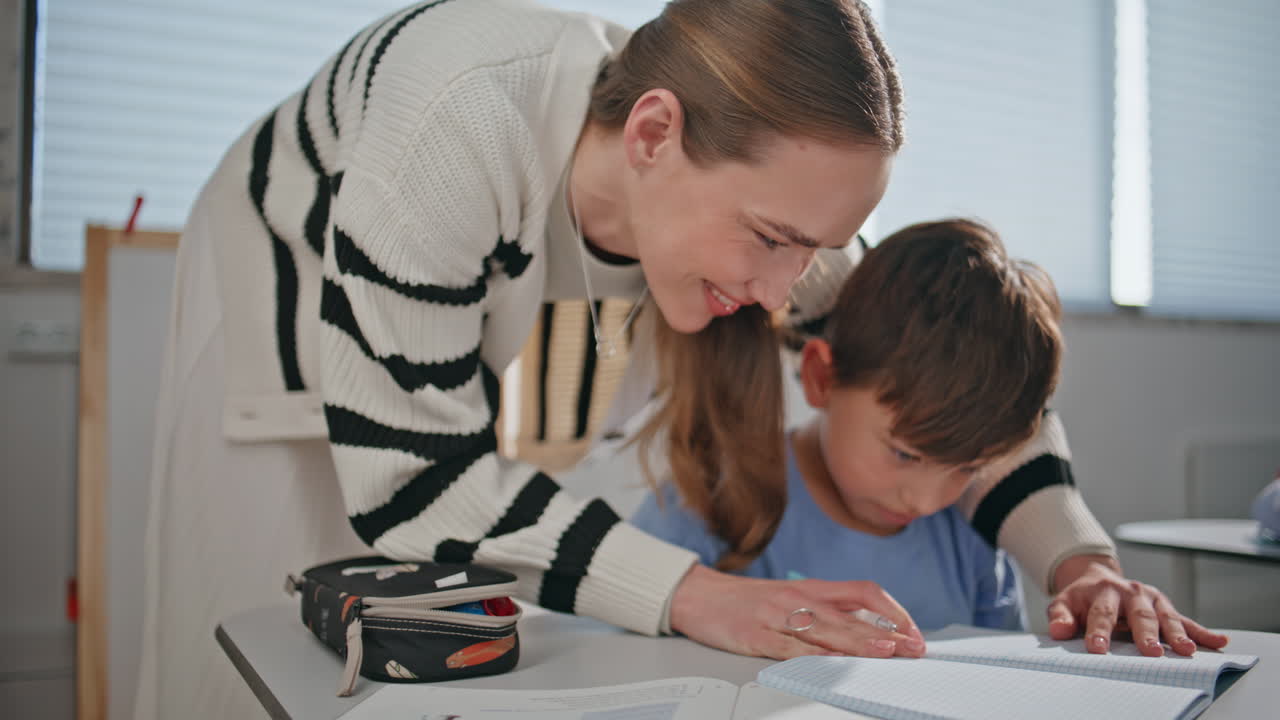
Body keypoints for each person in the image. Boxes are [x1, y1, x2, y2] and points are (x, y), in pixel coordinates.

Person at [134, 1, 1222, 718]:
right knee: (253, 658)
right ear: (651, 136)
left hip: (493, 311)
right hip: (280, 293)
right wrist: (697, 595)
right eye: (768, 240)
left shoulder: (758, 205)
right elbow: (414, 484)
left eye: (810, 246)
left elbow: (955, 359)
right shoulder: (454, 123)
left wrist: (1077, 561)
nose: (788, 289)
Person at [635, 219, 1068, 641]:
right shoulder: (704, 506)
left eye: (967, 468)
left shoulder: (972, 533)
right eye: (905, 454)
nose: (925, 500)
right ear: (822, 378)